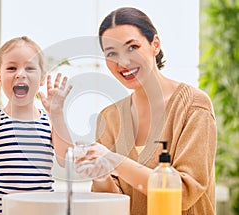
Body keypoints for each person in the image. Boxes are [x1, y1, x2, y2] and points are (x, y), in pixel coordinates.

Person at [74, 7, 217, 215]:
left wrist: (114, 160)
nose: (123, 62)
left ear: (155, 45)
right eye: (112, 53)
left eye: (132, 47)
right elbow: (112, 204)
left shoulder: (194, 106)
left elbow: (183, 194)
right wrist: (101, 173)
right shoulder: (109, 117)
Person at [0, 36, 72, 215]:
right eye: (11, 68)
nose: (20, 74)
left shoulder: (49, 122)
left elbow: (66, 160)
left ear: (42, 77)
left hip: (41, 212)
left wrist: (57, 115)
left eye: (29, 68)